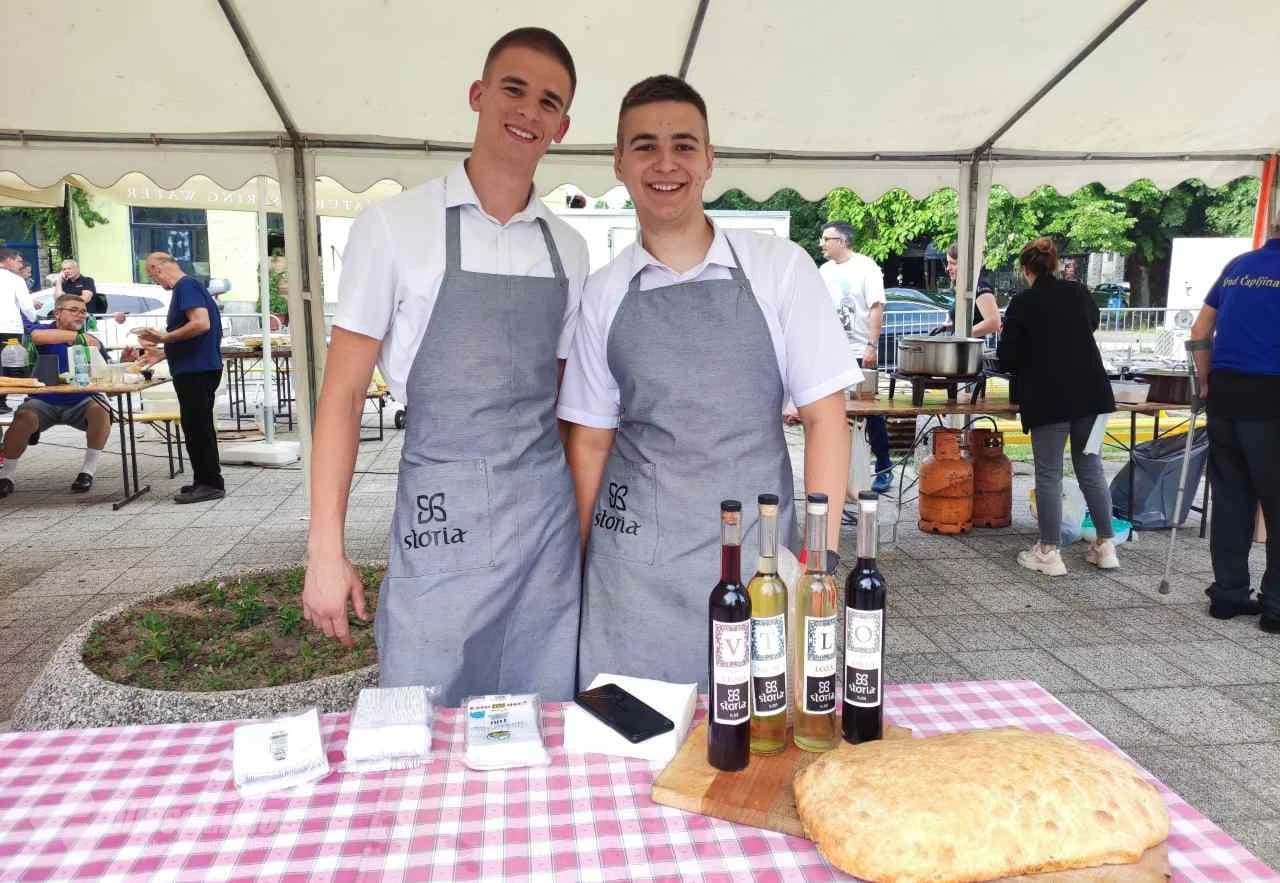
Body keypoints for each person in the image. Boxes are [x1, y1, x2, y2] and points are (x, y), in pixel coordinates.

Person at [302, 27, 589, 705]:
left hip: (543, 531)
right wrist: (325, 548)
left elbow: (563, 405)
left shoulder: (569, 249)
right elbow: (341, 395)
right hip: (441, 519)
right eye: (514, 89)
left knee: (541, 718)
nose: (528, 110)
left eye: (548, 102)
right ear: (478, 94)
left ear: (562, 125)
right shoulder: (393, 226)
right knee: (421, 717)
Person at [560, 75, 857, 689]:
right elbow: (590, 442)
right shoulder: (604, 291)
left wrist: (821, 564)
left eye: (683, 145)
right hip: (631, 575)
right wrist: (577, 564)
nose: (664, 163)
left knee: (754, 742)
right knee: (625, 748)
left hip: (756, 565)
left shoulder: (779, 269)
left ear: (710, 160)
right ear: (618, 163)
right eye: (644, 146)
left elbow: (828, 419)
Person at [997, 237, 1118, 577]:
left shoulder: (1023, 302)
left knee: (1049, 472)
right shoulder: (1078, 292)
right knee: (1091, 468)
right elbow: (1090, 325)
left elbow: (1007, 356)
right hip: (1092, 393)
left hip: (1048, 396)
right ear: (1055, 264)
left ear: (1025, 270)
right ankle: (1105, 545)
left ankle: (1049, 551)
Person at [1189, 211, 1280, 631]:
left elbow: (1200, 328)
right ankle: (1276, 606)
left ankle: (1227, 595)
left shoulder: (1239, 265)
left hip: (1225, 395)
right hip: (1271, 397)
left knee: (1230, 500)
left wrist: (1204, 379)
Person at [134, 252, 225, 503]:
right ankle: (203, 479)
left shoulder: (186, 286)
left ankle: (210, 483)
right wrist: (162, 353)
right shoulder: (190, 287)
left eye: (152, 275)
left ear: (157, 268)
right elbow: (195, 333)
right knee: (195, 426)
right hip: (196, 366)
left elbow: (200, 324)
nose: (155, 281)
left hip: (197, 369)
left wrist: (163, 338)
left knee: (198, 427)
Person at [0, 294, 111, 497]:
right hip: (44, 400)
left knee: (101, 409)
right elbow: (36, 338)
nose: (80, 315)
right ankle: (7, 476)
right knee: (23, 417)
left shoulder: (91, 338)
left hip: (83, 400)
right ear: (58, 313)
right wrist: (77, 337)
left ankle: (88, 471)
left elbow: (106, 368)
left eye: (84, 311)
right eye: (74, 310)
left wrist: (127, 358)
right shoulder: (42, 330)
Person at [818, 221, 892, 494]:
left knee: (869, 412)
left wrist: (871, 345)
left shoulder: (866, 267)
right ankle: (840, 466)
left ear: (843, 241)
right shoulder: (824, 271)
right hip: (832, 350)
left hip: (860, 349)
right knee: (834, 408)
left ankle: (883, 467)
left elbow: (876, 307)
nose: (822, 244)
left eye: (827, 238)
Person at [0, 248, 37, 415]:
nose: (20, 264)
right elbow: (27, 307)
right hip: (9, 328)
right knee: (12, 364)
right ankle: (4, 401)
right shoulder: (15, 280)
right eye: (18, 261)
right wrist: (35, 317)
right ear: (8, 260)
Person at [945, 243, 1002, 338]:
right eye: (948, 263)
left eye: (953, 263)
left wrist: (962, 335)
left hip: (971, 349)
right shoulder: (967, 285)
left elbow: (994, 322)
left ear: (967, 264)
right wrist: (954, 327)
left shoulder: (979, 285)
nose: (948, 268)